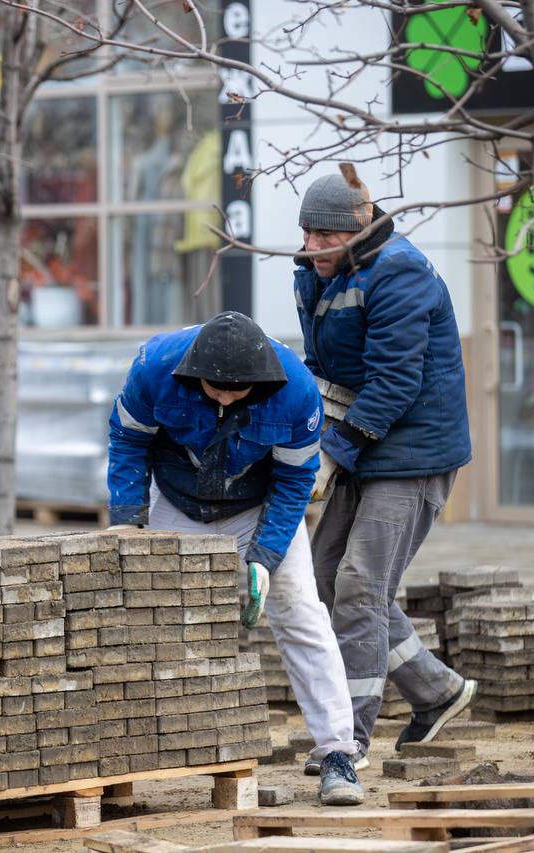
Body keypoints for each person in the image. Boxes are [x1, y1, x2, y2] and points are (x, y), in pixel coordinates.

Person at [107, 310, 364, 806]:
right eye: (212, 389)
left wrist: (265, 558)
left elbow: (293, 483)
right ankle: (132, 753)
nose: (223, 398)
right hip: (177, 501)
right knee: (144, 614)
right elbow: (129, 440)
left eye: (236, 391)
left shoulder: (296, 392)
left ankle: (338, 753)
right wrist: (126, 518)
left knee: (301, 614)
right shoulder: (155, 366)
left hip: (258, 504)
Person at [292, 168, 477, 764]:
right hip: (367, 445)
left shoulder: (401, 272)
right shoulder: (313, 276)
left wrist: (333, 453)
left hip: (415, 451)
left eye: (325, 235)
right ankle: (437, 690)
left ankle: (348, 741)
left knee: (360, 588)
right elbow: (324, 369)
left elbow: (395, 382)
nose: (312, 246)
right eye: (306, 233)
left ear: (359, 228)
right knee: (325, 580)